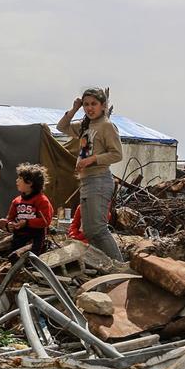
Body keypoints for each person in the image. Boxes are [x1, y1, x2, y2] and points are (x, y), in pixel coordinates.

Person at [57, 87, 124, 261]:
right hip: (86, 181)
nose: (89, 108)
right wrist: (74, 109)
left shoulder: (107, 126)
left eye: (94, 104)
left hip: (100, 179)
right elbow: (61, 126)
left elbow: (117, 154)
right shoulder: (85, 125)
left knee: (99, 229)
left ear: (103, 105)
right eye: (86, 104)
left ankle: (119, 265)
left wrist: (92, 159)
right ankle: (102, 265)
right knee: (88, 231)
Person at [6, 163, 54, 256]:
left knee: (33, 258)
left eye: (20, 178)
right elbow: (10, 217)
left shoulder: (42, 200)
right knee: (13, 256)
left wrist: (27, 222)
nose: (16, 181)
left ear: (30, 182)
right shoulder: (16, 201)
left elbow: (45, 221)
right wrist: (10, 224)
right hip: (19, 235)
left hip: (36, 236)